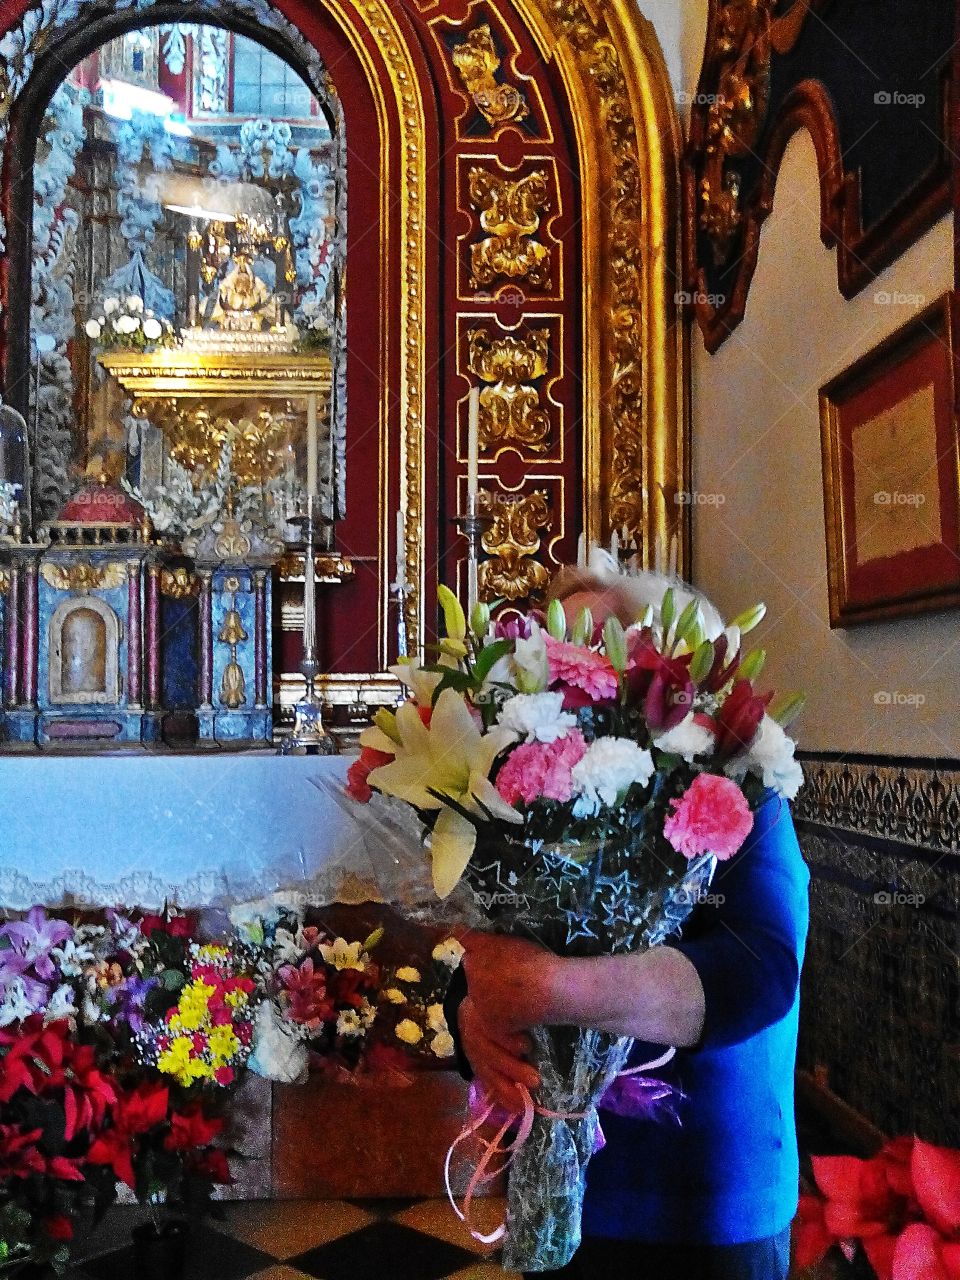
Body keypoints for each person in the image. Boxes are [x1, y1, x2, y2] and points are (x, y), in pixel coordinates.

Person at [446, 567, 810, 1280]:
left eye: (600, 661)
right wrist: (470, 1017)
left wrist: (549, 987)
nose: (571, 690)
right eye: (553, 664)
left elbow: (758, 972)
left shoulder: (743, 794)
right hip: (561, 1188)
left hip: (702, 1196)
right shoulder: (528, 799)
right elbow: (490, 961)